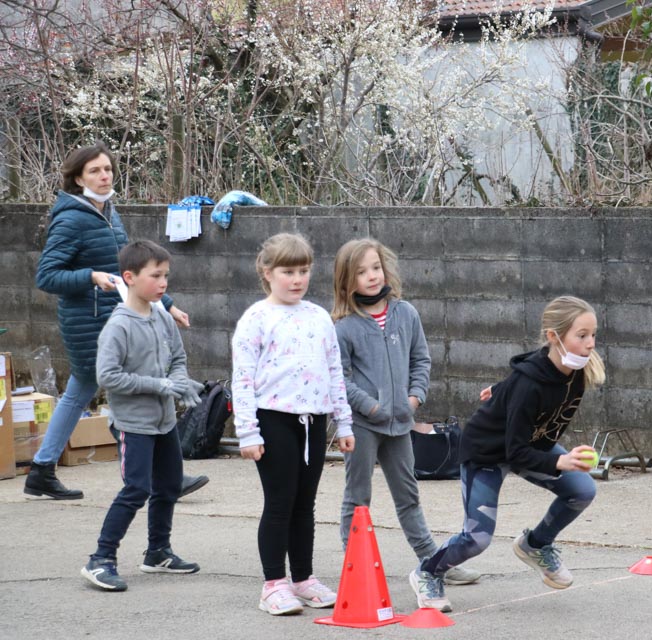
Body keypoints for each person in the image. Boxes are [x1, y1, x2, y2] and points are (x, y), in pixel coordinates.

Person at [26, 142, 207, 500]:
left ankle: (41, 470)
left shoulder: (107, 211)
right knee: (134, 392)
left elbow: (129, 273)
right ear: (79, 179)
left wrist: (167, 304)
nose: (104, 176)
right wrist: (90, 277)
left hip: (114, 317)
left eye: (107, 169)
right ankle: (161, 475)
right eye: (94, 170)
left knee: (79, 392)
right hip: (89, 324)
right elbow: (46, 276)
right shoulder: (71, 219)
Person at [409, 296, 605, 612]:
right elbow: (515, 449)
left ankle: (536, 545)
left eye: (593, 334)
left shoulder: (577, 373)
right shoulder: (529, 384)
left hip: (529, 446)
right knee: (477, 539)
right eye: (581, 335)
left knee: (582, 490)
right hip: (486, 453)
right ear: (554, 336)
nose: (590, 343)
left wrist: (501, 390)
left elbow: (524, 377)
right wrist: (559, 461)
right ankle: (428, 572)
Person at [331, 238, 480, 588]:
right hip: (362, 426)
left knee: (409, 496)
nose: (372, 276)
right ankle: (355, 567)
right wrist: (370, 406)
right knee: (357, 497)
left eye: (376, 268)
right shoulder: (343, 327)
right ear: (347, 280)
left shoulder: (406, 313)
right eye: (361, 272)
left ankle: (434, 562)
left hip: (400, 424)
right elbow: (338, 378)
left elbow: (421, 360)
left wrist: (414, 398)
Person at [232, 233, 355, 616]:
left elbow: (335, 371)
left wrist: (344, 423)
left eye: (303, 270)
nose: (297, 279)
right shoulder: (256, 318)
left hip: (313, 422)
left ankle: (303, 579)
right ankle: (273, 584)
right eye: (288, 271)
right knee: (280, 502)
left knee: (305, 504)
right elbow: (242, 379)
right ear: (267, 272)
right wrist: (247, 432)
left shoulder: (319, 316)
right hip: (273, 421)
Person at [81, 240, 203, 591]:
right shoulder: (119, 326)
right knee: (137, 489)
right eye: (156, 276)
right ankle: (101, 559)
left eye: (166, 276)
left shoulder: (162, 316)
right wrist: (161, 385)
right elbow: (108, 377)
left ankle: (158, 552)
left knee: (169, 487)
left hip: (164, 422)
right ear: (129, 277)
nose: (163, 283)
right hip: (133, 424)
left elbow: (178, 359)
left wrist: (179, 382)